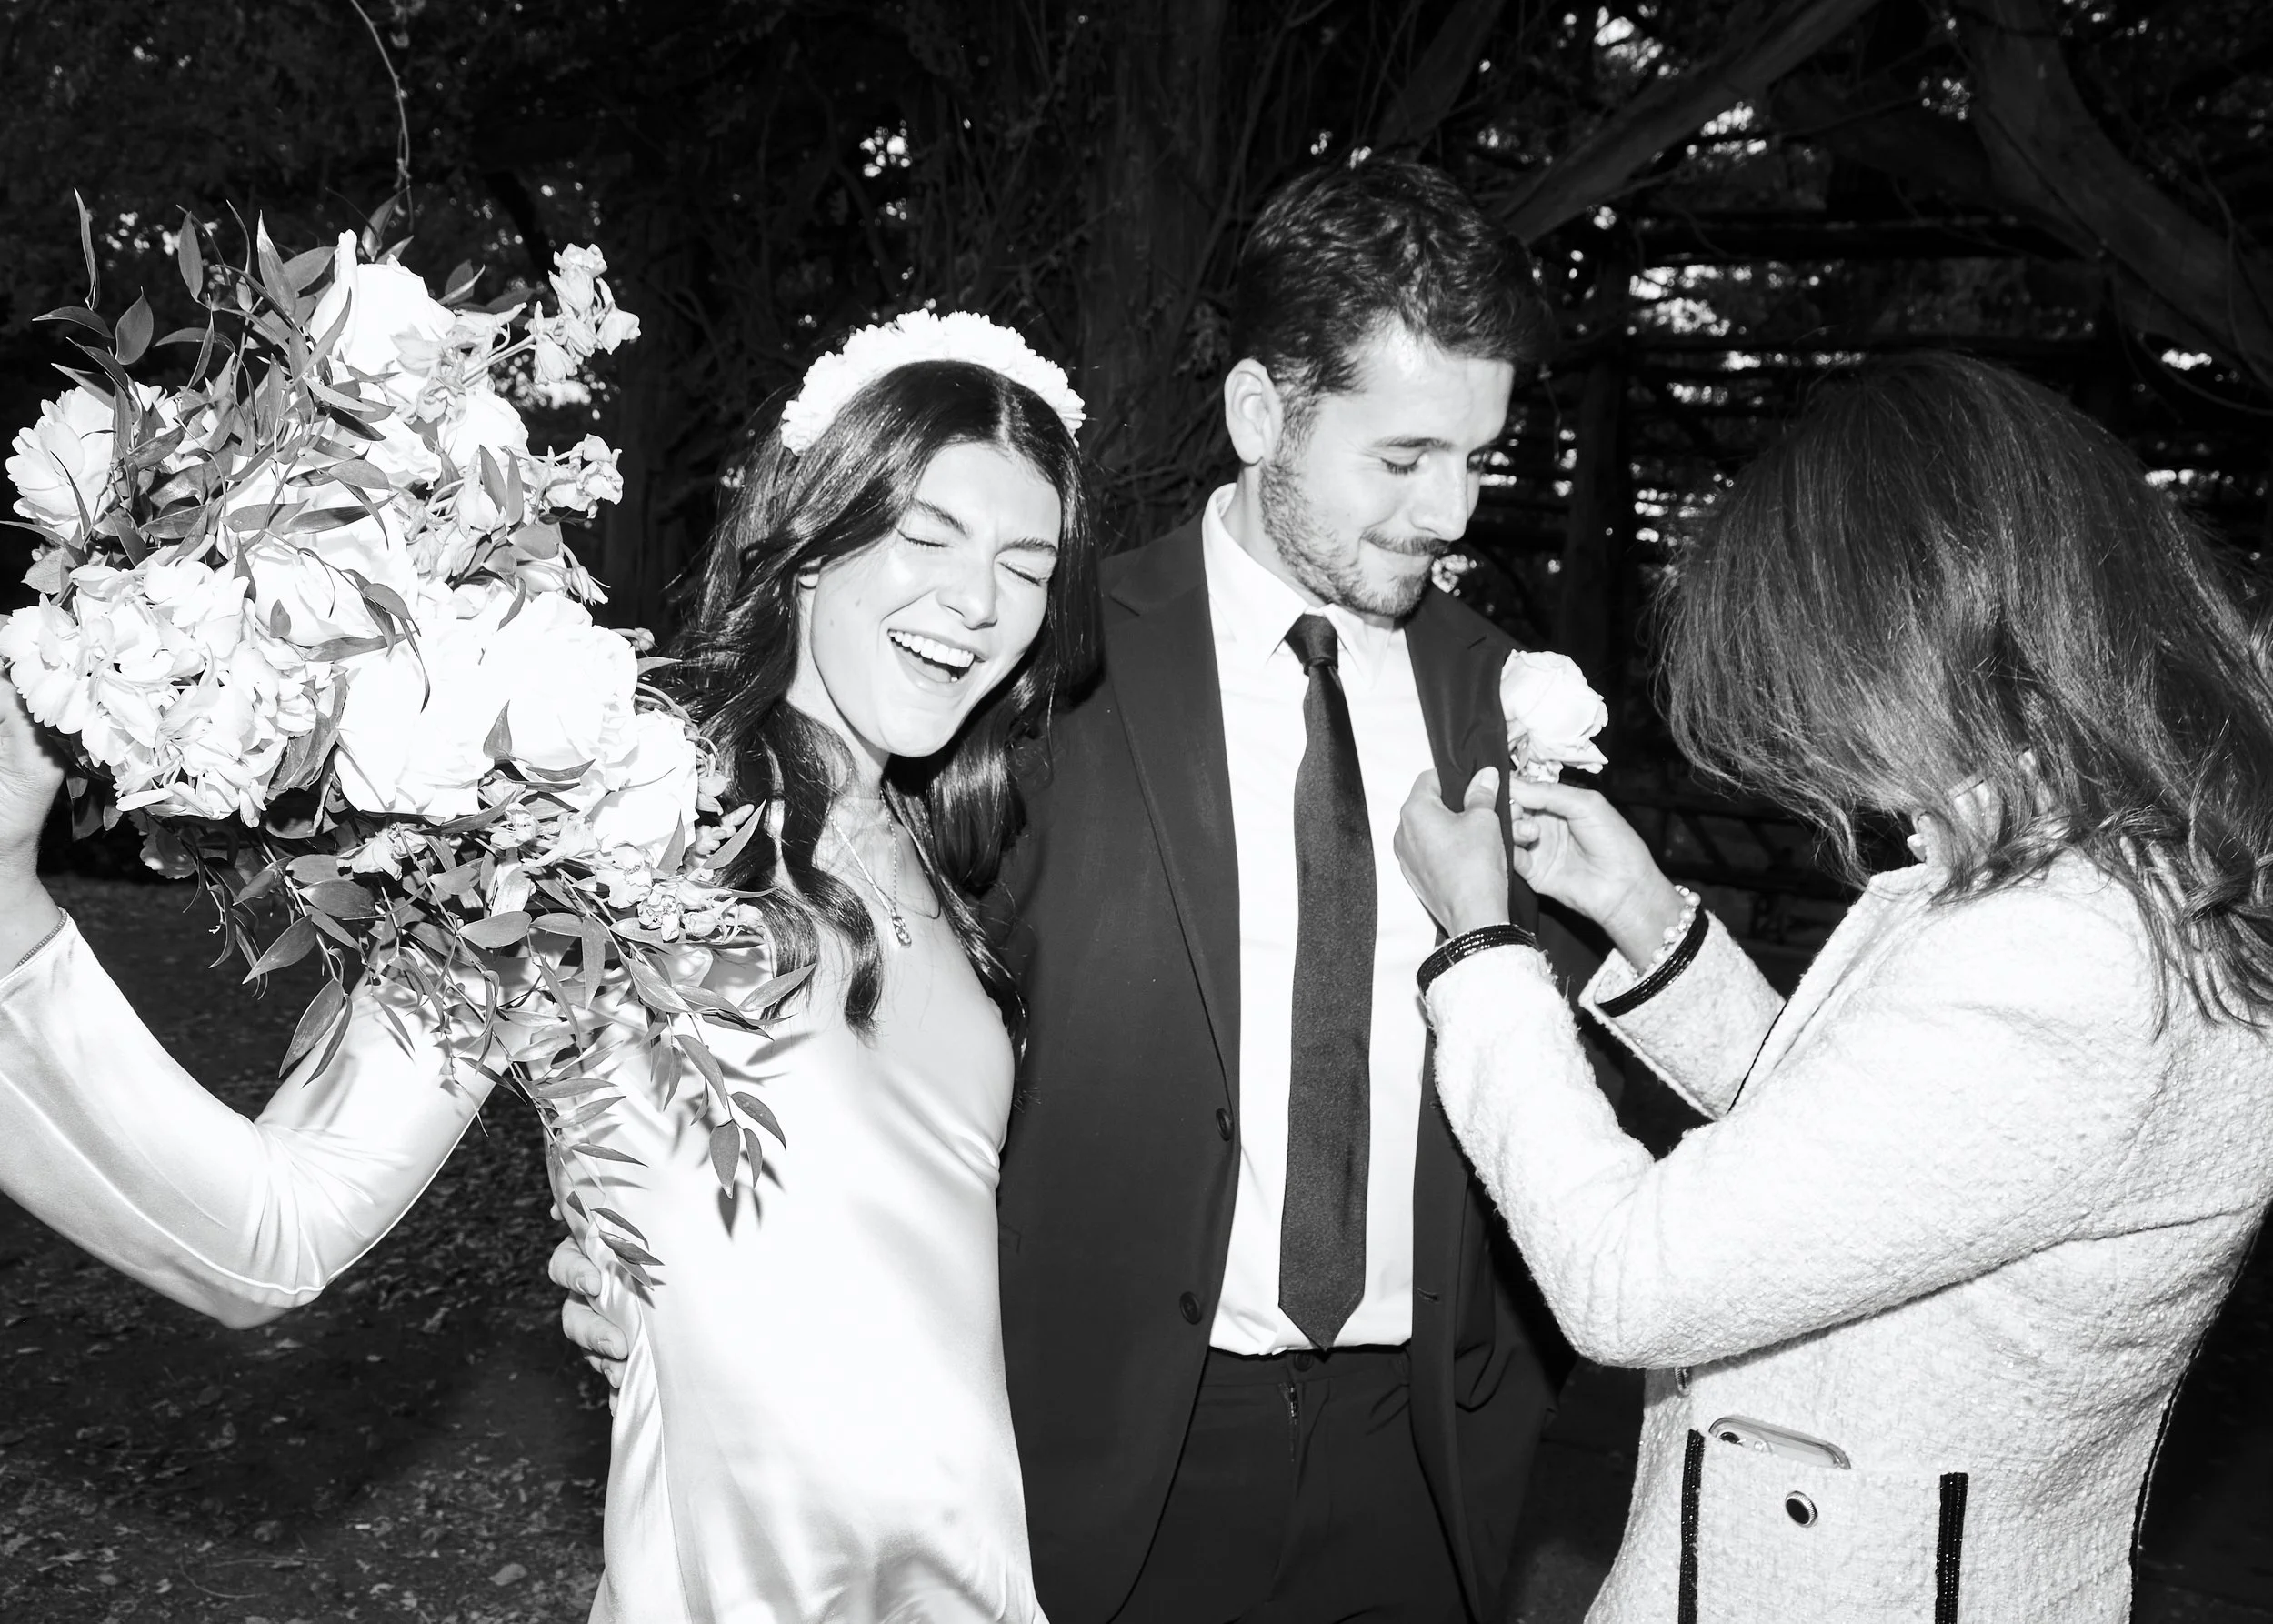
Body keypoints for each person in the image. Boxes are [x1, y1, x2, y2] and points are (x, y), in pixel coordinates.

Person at [557, 156, 1611, 1620]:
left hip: (1419, 1463)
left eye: (1479, 457)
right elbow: (846, 992)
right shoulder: (1030, 662)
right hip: (1114, 1460)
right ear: (1262, 415)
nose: (1451, 510)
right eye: (1404, 457)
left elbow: (1555, 1071)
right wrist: (661, 1248)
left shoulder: (1498, 694)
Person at [0, 329, 1100, 1623]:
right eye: (929, 536)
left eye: (1025, 565)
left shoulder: (937, 857)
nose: (978, 601)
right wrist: (9, 908)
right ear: (812, 535)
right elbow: (274, 1225)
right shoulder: (597, 815)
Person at [1393, 352, 2273, 1623]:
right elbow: (1878, 1159)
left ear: (1917, 629)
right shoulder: (2128, 872)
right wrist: (1642, 911)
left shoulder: (2069, 951)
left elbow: (1627, 1277)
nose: (1813, 735)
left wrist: (1480, 953)